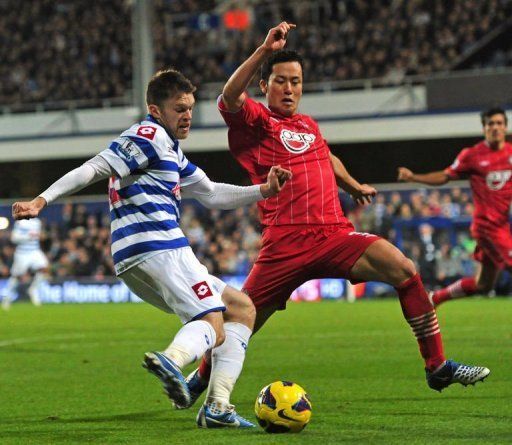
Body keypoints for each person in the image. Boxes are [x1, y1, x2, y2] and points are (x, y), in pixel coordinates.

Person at [184, 22, 490, 402]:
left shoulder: (308, 125)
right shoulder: (256, 123)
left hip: (333, 234)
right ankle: (199, 379)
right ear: (265, 86)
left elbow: (326, 157)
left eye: (296, 81)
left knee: (405, 270)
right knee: (243, 319)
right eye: (280, 81)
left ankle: (438, 367)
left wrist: (353, 185)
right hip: (285, 241)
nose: (290, 88)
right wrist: (264, 50)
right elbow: (228, 97)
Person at [11, 68, 292, 429]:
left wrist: (263, 191)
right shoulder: (148, 135)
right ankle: (174, 361)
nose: (187, 115)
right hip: (160, 246)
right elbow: (94, 167)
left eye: (190, 107)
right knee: (213, 324)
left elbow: (210, 192)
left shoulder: (171, 152)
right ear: (155, 110)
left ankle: (217, 406)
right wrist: (41, 200)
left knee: (241, 308)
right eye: (179, 108)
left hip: (135, 257)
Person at [398, 107, 512, 307]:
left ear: (505, 127)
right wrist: (413, 177)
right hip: (486, 227)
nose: (495, 127)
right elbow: (445, 176)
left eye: (499, 123)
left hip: (502, 226)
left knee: (483, 284)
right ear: (484, 128)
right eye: (490, 123)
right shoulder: (472, 155)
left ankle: (434, 298)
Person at [1, 218, 48, 310]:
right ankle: (7, 298)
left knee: (45, 268)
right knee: (16, 277)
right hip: (22, 253)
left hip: (35, 251)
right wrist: (28, 236)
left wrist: (42, 236)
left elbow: (40, 236)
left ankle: (33, 289)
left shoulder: (37, 222)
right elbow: (14, 238)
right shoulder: (21, 222)